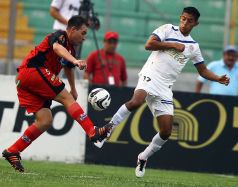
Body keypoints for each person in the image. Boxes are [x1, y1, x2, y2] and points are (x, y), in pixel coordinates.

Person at [94, 7, 230, 178]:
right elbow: (148, 45)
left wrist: (217, 78)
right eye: (183, 19)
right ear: (180, 17)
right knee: (136, 102)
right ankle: (106, 130)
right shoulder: (168, 29)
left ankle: (143, 157)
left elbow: (202, 71)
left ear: (196, 24)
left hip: (165, 87)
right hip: (150, 74)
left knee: (166, 131)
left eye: (190, 21)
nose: (185, 23)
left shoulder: (194, 47)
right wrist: (172, 44)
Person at [1, 16, 112, 172]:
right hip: (33, 71)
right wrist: (75, 60)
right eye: (83, 33)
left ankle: (13, 150)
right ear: (73, 29)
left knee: (45, 120)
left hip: (25, 81)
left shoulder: (71, 49)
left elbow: (67, 67)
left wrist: (73, 88)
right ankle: (93, 132)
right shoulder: (59, 36)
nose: (84, 38)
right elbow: (57, 49)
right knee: (66, 98)